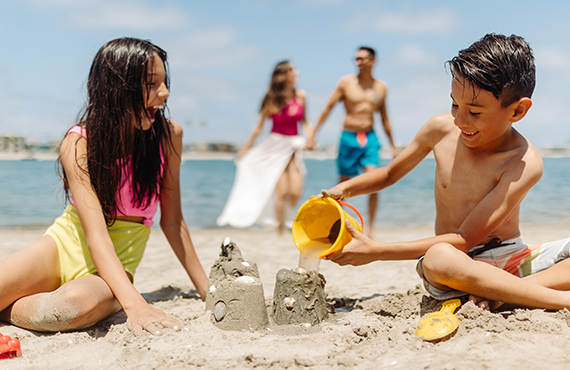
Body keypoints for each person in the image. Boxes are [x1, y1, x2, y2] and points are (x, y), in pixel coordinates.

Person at [321, 33, 570, 311]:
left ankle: (506, 292)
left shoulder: (524, 162)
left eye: (474, 112)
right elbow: (389, 174)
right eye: (454, 104)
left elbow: (466, 237)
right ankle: (533, 294)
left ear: (517, 111)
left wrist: (375, 251)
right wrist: (343, 190)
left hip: (511, 258)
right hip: (458, 266)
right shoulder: (439, 130)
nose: (459, 120)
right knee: (438, 258)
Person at [0, 38, 208, 335]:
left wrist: (207, 292)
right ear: (117, 89)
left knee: (71, 307)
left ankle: (6, 310)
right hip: (64, 245)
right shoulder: (78, 143)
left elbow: (173, 223)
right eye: (151, 84)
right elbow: (95, 235)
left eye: (164, 82)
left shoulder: (168, 135)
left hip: (118, 260)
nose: (164, 93)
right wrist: (136, 306)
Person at [306, 46, 397, 238]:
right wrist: (313, 135)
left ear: (373, 61)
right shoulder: (346, 83)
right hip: (348, 137)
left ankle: (371, 227)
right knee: (342, 185)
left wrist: (392, 144)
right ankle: (338, 225)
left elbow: (385, 117)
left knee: (375, 179)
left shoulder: (381, 87)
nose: (358, 62)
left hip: (370, 137)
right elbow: (327, 108)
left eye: (362, 59)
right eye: (356, 59)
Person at [217, 60, 311, 235]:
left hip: (293, 146)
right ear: (284, 74)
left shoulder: (301, 96)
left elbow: (305, 122)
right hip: (274, 146)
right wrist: (245, 149)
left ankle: (285, 221)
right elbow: (259, 127)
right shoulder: (271, 98)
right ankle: (281, 230)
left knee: (295, 191)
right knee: (281, 192)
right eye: (292, 70)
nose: (296, 72)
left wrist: (311, 138)